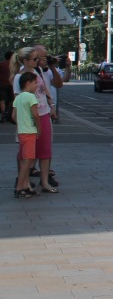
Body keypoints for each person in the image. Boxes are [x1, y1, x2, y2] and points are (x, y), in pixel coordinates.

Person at [32, 45, 65, 190]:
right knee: (29, 150)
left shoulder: (46, 71)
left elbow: (59, 84)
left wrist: (52, 68)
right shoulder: (27, 74)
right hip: (32, 116)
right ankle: (23, 177)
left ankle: (45, 179)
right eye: (42, 57)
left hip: (45, 113)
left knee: (45, 149)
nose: (45, 60)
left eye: (47, 57)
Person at [13, 71, 40, 198]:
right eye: (35, 83)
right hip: (30, 132)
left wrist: (21, 123)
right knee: (28, 161)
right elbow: (35, 114)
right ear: (28, 83)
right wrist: (38, 128)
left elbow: (13, 116)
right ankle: (20, 186)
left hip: (21, 132)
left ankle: (23, 186)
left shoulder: (18, 98)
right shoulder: (31, 97)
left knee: (25, 158)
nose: (36, 85)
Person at [0, 50, 12, 124]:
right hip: (11, 85)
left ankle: (3, 114)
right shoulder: (14, 65)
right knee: (11, 100)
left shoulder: (1, 64)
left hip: (2, 85)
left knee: (2, 100)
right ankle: (9, 113)